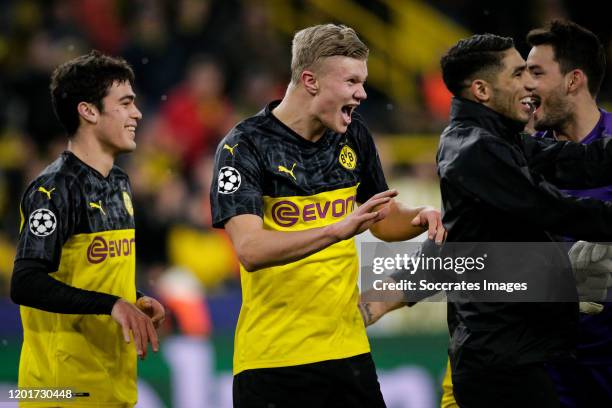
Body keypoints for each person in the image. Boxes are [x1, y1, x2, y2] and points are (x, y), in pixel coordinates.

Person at [210, 23, 445, 407]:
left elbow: (382, 218)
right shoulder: (245, 146)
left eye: (363, 81)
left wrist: (421, 216)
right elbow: (250, 249)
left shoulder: (352, 135)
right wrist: (337, 229)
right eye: (352, 80)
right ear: (310, 81)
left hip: (348, 353)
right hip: (272, 361)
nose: (363, 93)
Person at [11, 50, 165, 407]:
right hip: (61, 392)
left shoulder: (120, 184)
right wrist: (112, 304)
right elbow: (26, 281)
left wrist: (134, 298)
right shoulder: (54, 189)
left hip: (113, 388)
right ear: (89, 111)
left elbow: (91, 276)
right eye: (125, 103)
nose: (137, 114)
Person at [526, 19, 612, 407]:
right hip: (547, 369)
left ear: (574, 80)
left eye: (537, 73)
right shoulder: (517, 161)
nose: (526, 86)